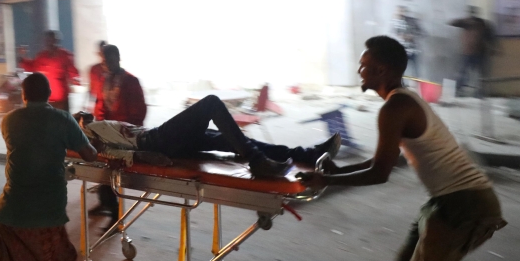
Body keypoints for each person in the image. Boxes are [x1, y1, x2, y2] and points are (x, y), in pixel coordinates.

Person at [298, 36, 519, 261]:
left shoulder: (394, 108)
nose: (359, 70)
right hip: (453, 201)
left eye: (364, 65)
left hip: (464, 205)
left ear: (382, 70)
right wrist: (336, 173)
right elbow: (383, 160)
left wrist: (328, 181)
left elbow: (379, 174)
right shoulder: (403, 101)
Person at [0, 73, 98, 261]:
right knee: (52, 254)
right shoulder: (64, 120)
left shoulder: (9, 121)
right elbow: (89, 155)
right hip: (49, 205)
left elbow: (34, 138)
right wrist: (82, 132)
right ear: (50, 94)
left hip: (14, 204)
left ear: (23, 95)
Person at [77, 94, 340, 178]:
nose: (83, 116)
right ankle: (255, 160)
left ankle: (307, 154)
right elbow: (105, 154)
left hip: (162, 139)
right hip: (155, 142)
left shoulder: (98, 123)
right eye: (78, 117)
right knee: (211, 104)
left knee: (232, 138)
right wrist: (145, 156)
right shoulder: (85, 135)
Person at [91, 44, 148, 221]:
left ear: (117, 58)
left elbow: (139, 110)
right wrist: (98, 127)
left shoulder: (131, 81)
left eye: (107, 60)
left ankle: (114, 212)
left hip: (123, 134)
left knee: (113, 170)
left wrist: (128, 131)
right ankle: (105, 203)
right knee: (104, 167)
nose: (104, 63)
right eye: (102, 60)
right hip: (107, 133)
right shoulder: (104, 81)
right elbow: (100, 105)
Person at [19, 30, 80, 112]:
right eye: (47, 40)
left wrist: (76, 80)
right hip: (45, 100)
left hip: (61, 100)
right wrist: (22, 60)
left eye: (52, 40)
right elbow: (33, 67)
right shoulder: (42, 56)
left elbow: (74, 72)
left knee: (61, 122)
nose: (49, 43)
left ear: (57, 41)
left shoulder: (65, 56)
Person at [450, 7, 496, 96]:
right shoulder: (466, 23)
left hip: (479, 53)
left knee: (478, 74)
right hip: (469, 53)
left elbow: (490, 37)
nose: (472, 14)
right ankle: (459, 90)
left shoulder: (482, 23)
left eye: (473, 12)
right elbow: (452, 22)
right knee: (465, 73)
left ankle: (479, 92)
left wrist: (493, 48)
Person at [392, 4, 425, 78]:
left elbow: (422, 33)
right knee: (399, 71)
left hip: (413, 50)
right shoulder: (394, 22)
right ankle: (401, 87)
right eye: (398, 11)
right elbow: (392, 35)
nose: (400, 13)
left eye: (402, 11)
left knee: (416, 71)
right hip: (400, 51)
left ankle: (416, 87)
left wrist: (412, 36)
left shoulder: (412, 21)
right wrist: (400, 37)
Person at [85, 40, 107, 113]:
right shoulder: (94, 69)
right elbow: (92, 88)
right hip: (99, 104)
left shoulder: (113, 70)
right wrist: (89, 103)